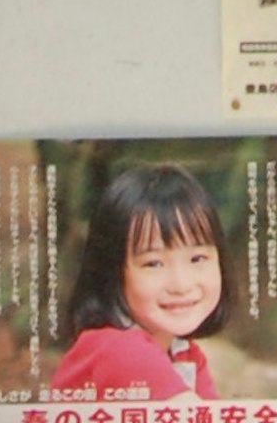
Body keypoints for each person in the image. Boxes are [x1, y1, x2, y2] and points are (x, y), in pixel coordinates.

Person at [53, 161, 235, 404]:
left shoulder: (186, 354)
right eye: (153, 263)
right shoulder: (119, 350)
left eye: (197, 258)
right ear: (113, 272)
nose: (181, 285)